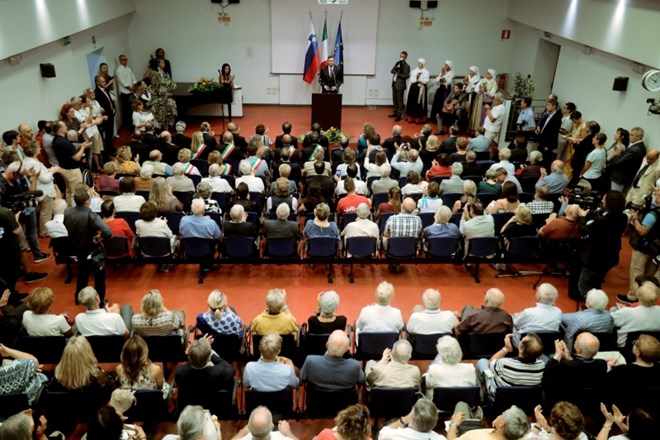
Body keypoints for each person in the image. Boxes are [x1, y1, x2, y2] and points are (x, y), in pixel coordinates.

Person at [570, 191, 628, 300]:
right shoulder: (623, 217)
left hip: (596, 257)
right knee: (597, 280)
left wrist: (582, 216)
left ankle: (592, 304)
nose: (602, 200)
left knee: (583, 285)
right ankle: (596, 299)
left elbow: (584, 230)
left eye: (604, 199)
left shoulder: (602, 221)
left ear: (609, 203)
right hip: (611, 254)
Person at [64, 187, 112, 303]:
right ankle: (99, 301)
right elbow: (108, 232)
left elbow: (66, 224)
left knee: (82, 274)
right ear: (87, 201)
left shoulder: (67, 212)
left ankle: (78, 298)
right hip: (92, 249)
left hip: (77, 247)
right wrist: (99, 237)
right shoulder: (91, 215)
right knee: (99, 277)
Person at [477, 333, 545, 402]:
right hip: (526, 402)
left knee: (482, 362)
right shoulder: (541, 366)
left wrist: (506, 349)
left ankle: (481, 398)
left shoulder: (505, 363)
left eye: (521, 340)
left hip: (499, 400)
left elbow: (490, 363)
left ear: (521, 349)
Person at [174, 336, 236, 410]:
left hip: (191, 407)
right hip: (213, 406)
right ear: (209, 358)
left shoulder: (180, 372)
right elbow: (227, 367)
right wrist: (209, 350)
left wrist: (198, 350)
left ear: (189, 357)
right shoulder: (219, 372)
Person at [301, 330, 365, 391]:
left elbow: (302, 378)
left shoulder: (310, 361)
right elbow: (361, 380)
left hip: (315, 402)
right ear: (346, 350)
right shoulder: (355, 366)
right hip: (346, 402)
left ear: (326, 344)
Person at [611, 281, 660, 347]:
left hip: (626, 348)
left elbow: (609, 321)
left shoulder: (627, 312)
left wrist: (621, 312)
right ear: (657, 298)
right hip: (654, 348)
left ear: (638, 296)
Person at [448, 405, 529, 440]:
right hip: (484, 429)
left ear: (502, 423)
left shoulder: (473, 437)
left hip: (464, 432)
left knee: (461, 405)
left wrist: (453, 423)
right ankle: (475, 416)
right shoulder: (520, 435)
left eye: (502, 414)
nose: (500, 415)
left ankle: (473, 415)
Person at [378, 399, 443, 440]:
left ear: (412, 418)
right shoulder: (440, 438)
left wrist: (402, 420)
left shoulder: (395, 435)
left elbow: (382, 433)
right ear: (435, 422)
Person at [608, 127, 646, 193]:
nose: (629, 137)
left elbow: (618, 162)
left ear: (638, 137)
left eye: (631, 135)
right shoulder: (639, 146)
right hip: (623, 177)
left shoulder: (635, 149)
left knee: (614, 195)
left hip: (620, 177)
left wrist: (617, 154)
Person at [231, 406, 299, 440]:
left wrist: (242, 432)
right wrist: (288, 432)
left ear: (249, 427)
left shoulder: (243, 438)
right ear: (272, 426)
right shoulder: (282, 438)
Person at [535, 98, 562, 168]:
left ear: (554, 106)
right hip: (541, 140)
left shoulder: (557, 118)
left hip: (548, 144)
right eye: (547, 105)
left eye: (549, 105)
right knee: (539, 158)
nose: (547, 107)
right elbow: (542, 127)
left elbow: (554, 133)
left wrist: (548, 146)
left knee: (546, 160)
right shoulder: (546, 115)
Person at [115, 55, 137, 130]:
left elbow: (133, 78)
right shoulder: (118, 70)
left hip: (131, 91)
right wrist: (130, 88)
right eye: (123, 60)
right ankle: (128, 126)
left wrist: (133, 85)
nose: (125, 61)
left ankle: (133, 124)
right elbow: (122, 82)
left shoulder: (128, 68)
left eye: (126, 59)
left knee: (132, 108)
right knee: (127, 110)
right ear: (120, 61)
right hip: (124, 92)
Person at [405, 58, 430, 124]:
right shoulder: (414, 71)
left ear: (423, 64)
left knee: (419, 104)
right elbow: (411, 80)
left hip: (421, 89)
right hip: (413, 89)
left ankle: (419, 119)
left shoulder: (426, 72)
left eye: (420, 63)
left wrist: (419, 79)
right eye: (418, 63)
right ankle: (411, 118)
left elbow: (426, 81)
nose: (419, 64)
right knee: (412, 103)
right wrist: (416, 79)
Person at [390, 51, 410, 122]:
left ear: (405, 58)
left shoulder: (406, 66)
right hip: (394, 84)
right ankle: (395, 112)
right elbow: (391, 71)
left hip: (400, 85)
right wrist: (395, 70)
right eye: (401, 56)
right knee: (394, 99)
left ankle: (399, 115)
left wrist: (398, 74)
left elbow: (406, 76)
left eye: (403, 56)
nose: (401, 57)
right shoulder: (397, 63)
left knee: (399, 101)